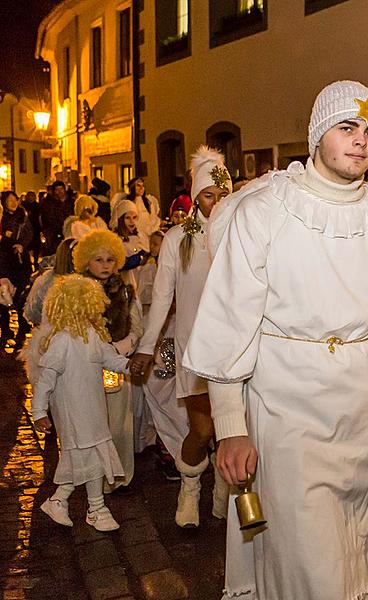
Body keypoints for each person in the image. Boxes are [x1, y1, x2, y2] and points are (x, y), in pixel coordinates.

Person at [182, 81, 368, 599]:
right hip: (286, 410)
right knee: (311, 561)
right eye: (347, 127)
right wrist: (229, 424)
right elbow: (230, 318)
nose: (360, 140)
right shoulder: (266, 209)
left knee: (357, 546)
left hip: (360, 417)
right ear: (318, 133)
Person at [129, 146, 232, 527]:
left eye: (223, 195)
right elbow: (162, 298)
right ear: (196, 196)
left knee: (233, 429)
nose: (217, 203)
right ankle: (190, 489)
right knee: (203, 429)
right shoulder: (177, 239)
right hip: (196, 353)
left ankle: (225, 489)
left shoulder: (241, 234)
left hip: (237, 351)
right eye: (209, 195)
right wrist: (146, 345)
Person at [32, 275, 131, 532]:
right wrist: (39, 411)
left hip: (94, 411)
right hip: (72, 413)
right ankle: (95, 507)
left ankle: (63, 501)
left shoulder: (92, 336)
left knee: (89, 457)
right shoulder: (61, 341)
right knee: (86, 457)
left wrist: (131, 366)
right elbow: (46, 379)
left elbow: (110, 359)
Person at [73, 230, 143, 489]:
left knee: (119, 424)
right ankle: (94, 478)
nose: (104, 266)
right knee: (92, 424)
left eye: (109, 260)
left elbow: (137, 325)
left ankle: (119, 476)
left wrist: (125, 345)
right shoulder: (76, 292)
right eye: (98, 260)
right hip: (87, 368)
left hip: (118, 364)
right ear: (86, 261)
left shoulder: (125, 291)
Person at [1, 191, 33, 346]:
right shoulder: (2, 218)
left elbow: (30, 234)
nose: (13, 202)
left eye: (15, 199)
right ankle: (5, 328)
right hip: (5, 261)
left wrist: (22, 244)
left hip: (21, 261)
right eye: (9, 200)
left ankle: (23, 324)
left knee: (21, 294)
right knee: (3, 294)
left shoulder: (23, 216)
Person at [39, 181, 74, 257]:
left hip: (70, 232)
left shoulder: (72, 202)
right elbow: (47, 218)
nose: (59, 192)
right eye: (57, 190)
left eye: (61, 189)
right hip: (54, 234)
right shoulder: (49, 203)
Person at [22, 191, 42, 271]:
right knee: (27, 246)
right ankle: (28, 262)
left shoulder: (38, 206)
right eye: (29, 196)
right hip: (26, 230)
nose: (31, 198)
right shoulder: (23, 207)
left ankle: (36, 261)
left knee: (36, 247)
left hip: (36, 229)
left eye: (33, 196)